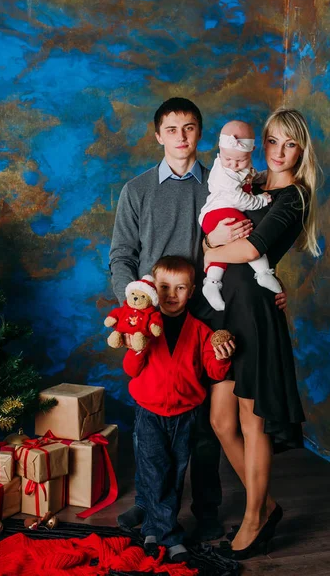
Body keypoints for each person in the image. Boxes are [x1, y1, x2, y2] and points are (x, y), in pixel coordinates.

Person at [109, 97, 286, 541]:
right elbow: (121, 257)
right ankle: (149, 504)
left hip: (205, 312)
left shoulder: (220, 184)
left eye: (189, 128)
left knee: (205, 420)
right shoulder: (137, 190)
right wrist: (134, 305)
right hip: (152, 314)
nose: (181, 137)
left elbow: (253, 241)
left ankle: (207, 508)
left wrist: (271, 286)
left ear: (200, 134)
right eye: (172, 129)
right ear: (158, 135)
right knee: (150, 411)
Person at [203, 108, 320, 559]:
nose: (279, 151)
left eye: (289, 144)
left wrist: (211, 246)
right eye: (272, 141)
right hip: (225, 311)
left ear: (301, 150)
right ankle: (266, 505)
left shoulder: (294, 196)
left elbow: (252, 248)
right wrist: (209, 243)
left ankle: (254, 519)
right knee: (220, 420)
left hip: (254, 311)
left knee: (253, 423)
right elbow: (211, 220)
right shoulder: (248, 183)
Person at [122, 256, 234, 562]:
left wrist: (222, 356)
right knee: (155, 472)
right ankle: (170, 537)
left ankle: (152, 529)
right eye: (165, 287)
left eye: (180, 287)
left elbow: (214, 372)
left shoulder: (200, 330)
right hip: (150, 413)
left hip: (185, 415)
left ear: (193, 290)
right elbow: (131, 370)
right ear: (153, 289)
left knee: (174, 475)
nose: (172, 294)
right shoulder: (144, 326)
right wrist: (137, 348)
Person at [199, 120, 282, 312]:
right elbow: (240, 199)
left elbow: (250, 176)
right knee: (245, 234)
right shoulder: (223, 174)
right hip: (217, 213)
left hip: (220, 215)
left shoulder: (239, 165)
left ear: (251, 151)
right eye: (229, 159)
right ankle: (262, 272)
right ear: (220, 149)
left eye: (240, 160)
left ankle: (211, 283)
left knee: (227, 247)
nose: (234, 165)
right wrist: (261, 200)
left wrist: (265, 177)